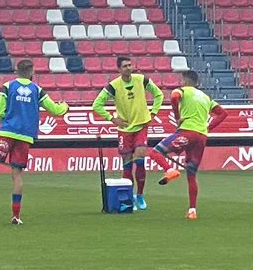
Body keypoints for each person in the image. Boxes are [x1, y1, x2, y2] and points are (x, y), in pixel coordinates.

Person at [0, 59, 69, 225]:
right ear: (31, 72)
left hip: (8, 131)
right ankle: (16, 216)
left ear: (17, 71)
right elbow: (54, 110)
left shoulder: (8, 86)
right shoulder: (37, 90)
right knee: (16, 175)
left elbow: (0, 111)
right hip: (25, 136)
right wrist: (64, 107)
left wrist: (6, 122)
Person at [148, 70, 229, 219]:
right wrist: (208, 128)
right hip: (201, 137)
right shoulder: (206, 98)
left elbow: (174, 97)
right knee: (191, 174)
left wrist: (178, 117)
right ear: (197, 82)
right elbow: (223, 114)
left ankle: (170, 170)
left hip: (187, 131)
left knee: (156, 152)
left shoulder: (183, 90)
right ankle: (192, 210)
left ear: (184, 81)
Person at [91, 55, 161, 211]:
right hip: (124, 130)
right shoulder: (114, 86)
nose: (128, 68)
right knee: (127, 165)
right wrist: (112, 119)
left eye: (130, 65)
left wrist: (153, 113)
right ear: (119, 69)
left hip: (141, 125)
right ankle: (128, 198)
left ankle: (140, 195)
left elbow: (159, 94)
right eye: (125, 66)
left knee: (140, 159)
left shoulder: (141, 79)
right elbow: (97, 104)